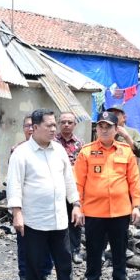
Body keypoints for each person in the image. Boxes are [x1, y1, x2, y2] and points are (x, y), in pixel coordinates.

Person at [7, 109, 85, 280]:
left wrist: (76, 204)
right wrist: (17, 213)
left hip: (59, 219)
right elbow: (14, 186)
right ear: (35, 127)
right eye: (49, 125)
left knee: (64, 261)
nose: (54, 129)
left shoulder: (58, 150)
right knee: (34, 262)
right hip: (34, 220)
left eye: (54, 125)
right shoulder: (22, 153)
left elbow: (69, 180)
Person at [74, 111, 140, 280]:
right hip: (95, 212)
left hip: (120, 212)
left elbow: (134, 181)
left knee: (120, 251)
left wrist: (136, 205)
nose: (103, 130)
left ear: (116, 129)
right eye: (100, 126)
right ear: (96, 129)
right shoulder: (86, 152)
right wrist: (77, 206)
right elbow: (78, 182)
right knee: (94, 252)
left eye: (108, 127)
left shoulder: (125, 151)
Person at [10, 115, 55, 280]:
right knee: (25, 244)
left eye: (32, 126)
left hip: (48, 208)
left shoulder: (52, 149)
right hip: (27, 208)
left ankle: (45, 273)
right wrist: (16, 210)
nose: (30, 129)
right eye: (27, 126)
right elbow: (15, 181)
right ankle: (24, 275)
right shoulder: (19, 151)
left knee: (49, 243)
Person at [55, 111, 85, 265]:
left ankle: (75, 250)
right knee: (57, 220)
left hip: (74, 187)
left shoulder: (80, 144)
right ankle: (58, 252)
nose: (66, 124)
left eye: (70, 122)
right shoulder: (53, 142)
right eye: (63, 122)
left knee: (75, 221)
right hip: (56, 187)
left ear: (75, 125)